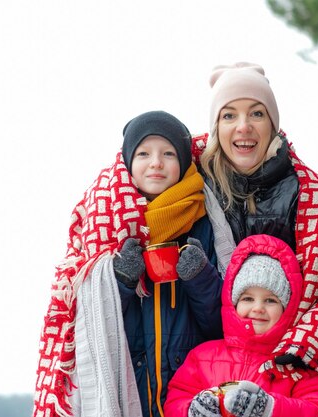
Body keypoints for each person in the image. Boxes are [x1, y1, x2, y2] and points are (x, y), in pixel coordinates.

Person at [190, 62, 318, 417]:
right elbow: (141, 162)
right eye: (228, 115)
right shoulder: (191, 177)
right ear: (215, 126)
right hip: (210, 349)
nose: (243, 127)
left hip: (285, 360)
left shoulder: (309, 192)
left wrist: (290, 353)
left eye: (257, 113)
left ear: (273, 124)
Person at [32, 111, 223, 417]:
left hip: (189, 395)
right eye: (144, 153)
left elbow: (222, 324)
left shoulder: (204, 222)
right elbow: (88, 325)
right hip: (129, 394)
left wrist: (201, 277)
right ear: (129, 164)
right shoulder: (105, 228)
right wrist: (119, 281)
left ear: (185, 161)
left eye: (168, 153)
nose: (156, 162)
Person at [164, 234, 318, 417]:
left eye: (271, 300)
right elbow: (176, 399)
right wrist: (191, 411)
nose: (258, 308)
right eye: (248, 298)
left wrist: (270, 408)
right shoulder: (202, 356)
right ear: (232, 303)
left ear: (287, 308)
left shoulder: (297, 364)